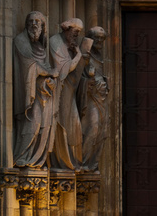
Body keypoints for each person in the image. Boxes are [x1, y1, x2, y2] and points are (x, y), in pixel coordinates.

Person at [12, 11, 57, 168]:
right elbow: (30, 65)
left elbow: (44, 68)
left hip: (43, 93)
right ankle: (22, 156)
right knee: (34, 119)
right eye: (31, 21)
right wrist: (50, 72)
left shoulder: (41, 48)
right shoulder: (20, 41)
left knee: (45, 124)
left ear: (43, 27)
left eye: (38, 21)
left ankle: (36, 159)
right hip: (27, 96)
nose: (34, 24)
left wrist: (50, 81)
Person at [50, 19, 84, 170]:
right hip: (60, 92)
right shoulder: (55, 42)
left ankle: (72, 161)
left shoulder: (69, 45)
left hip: (70, 91)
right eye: (75, 33)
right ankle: (63, 162)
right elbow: (64, 68)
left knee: (75, 124)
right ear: (67, 30)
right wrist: (78, 56)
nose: (76, 37)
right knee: (66, 123)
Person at [78, 27, 110, 171]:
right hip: (90, 98)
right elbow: (74, 77)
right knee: (93, 127)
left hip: (101, 99)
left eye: (102, 39)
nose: (99, 41)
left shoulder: (100, 57)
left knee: (103, 132)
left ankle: (92, 164)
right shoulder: (85, 54)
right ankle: (82, 162)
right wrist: (89, 78)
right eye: (96, 38)